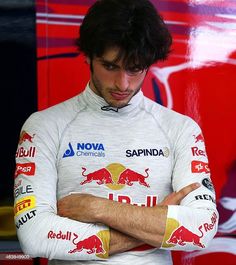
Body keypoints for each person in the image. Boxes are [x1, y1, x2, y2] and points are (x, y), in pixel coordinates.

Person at [13, 0, 218, 264]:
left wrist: (97, 208)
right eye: (110, 66)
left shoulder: (180, 129)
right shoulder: (43, 127)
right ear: (88, 56)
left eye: (135, 69)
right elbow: (34, 236)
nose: (123, 83)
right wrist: (156, 220)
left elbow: (202, 228)